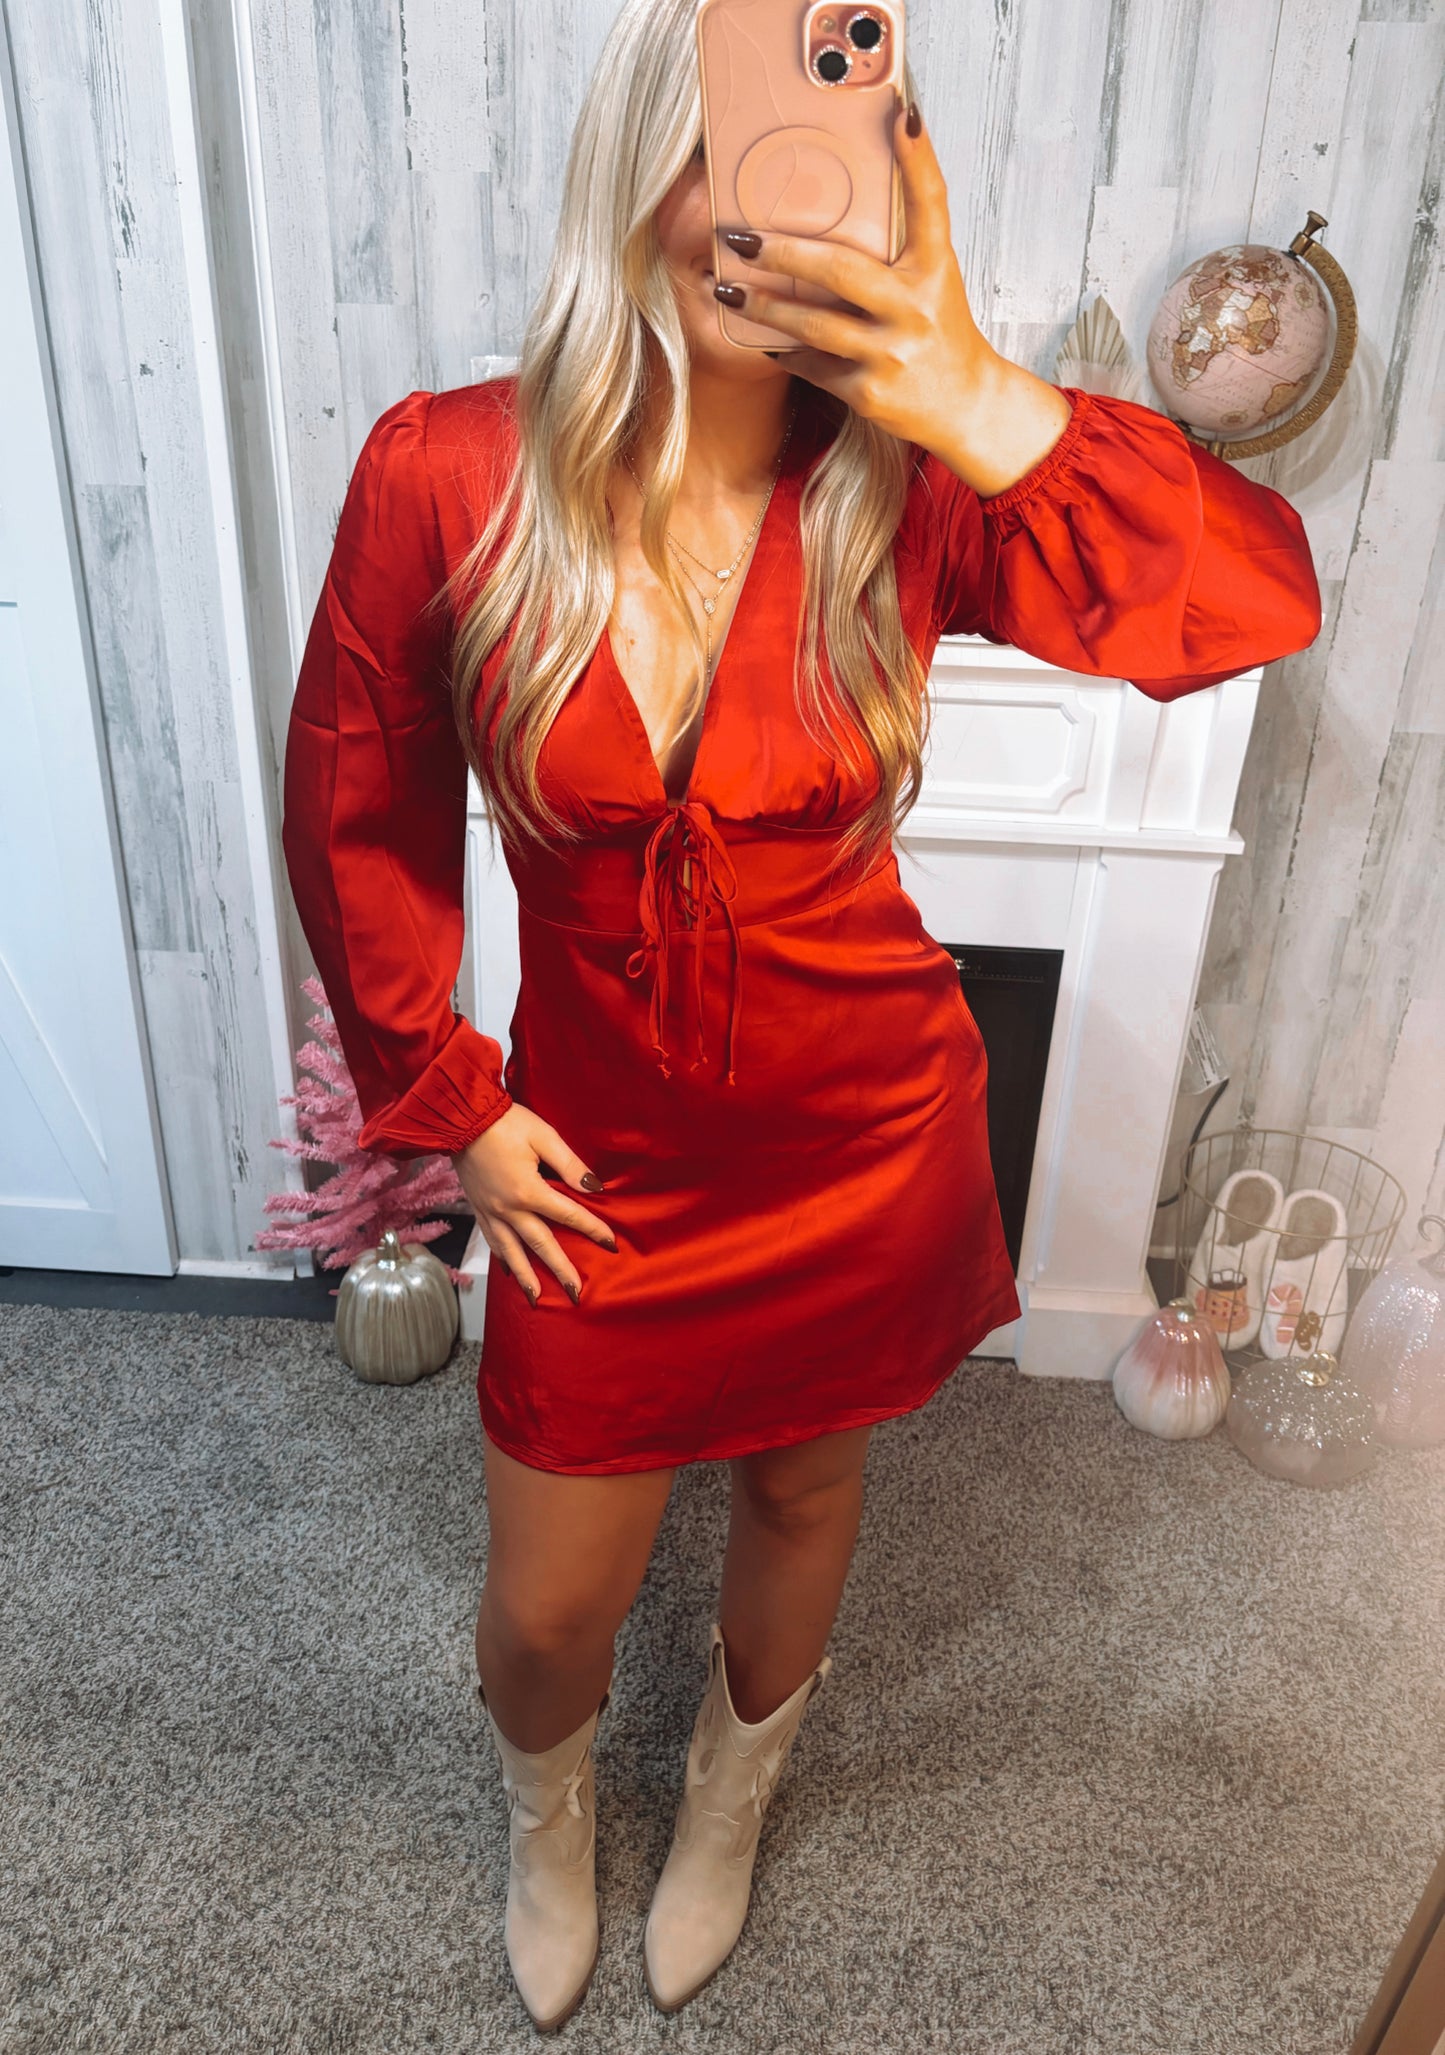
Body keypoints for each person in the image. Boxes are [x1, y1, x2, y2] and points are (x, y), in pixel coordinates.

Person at [281, 0, 1322, 2031]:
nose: (767, 205)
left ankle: (729, 1803)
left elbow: (1251, 602)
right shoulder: (446, 472)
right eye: (724, 145)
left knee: (805, 1493)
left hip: (861, 1142)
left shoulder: (912, 485)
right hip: (600, 1169)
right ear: (635, 167)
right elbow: (355, 808)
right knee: (547, 1611)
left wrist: (974, 388)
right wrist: (449, 1098)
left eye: (833, 150)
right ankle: (548, 1816)